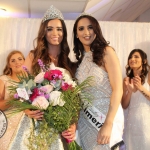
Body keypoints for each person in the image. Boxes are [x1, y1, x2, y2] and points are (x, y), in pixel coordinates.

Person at [9, 5, 76, 150]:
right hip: (37, 124)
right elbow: (21, 92)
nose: (55, 33)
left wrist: (73, 123)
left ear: (63, 32)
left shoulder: (68, 63)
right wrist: (27, 110)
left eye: (59, 29)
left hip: (60, 127)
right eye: (50, 29)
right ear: (43, 32)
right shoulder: (33, 57)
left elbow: (74, 100)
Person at [73, 13, 124, 150]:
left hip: (103, 121)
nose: (86, 32)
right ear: (76, 34)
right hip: (85, 123)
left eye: (90, 27)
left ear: (96, 30)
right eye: (81, 29)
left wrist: (108, 123)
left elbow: (118, 89)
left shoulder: (107, 52)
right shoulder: (80, 61)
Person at [122, 49, 150, 150]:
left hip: (146, 120)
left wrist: (140, 88)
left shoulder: (148, 76)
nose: (132, 59)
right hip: (131, 122)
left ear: (144, 61)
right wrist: (129, 91)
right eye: (130, 57)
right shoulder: (126, 80)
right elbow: (124, 105)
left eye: (136, 57)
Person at [0, 50, 25, 150]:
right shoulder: (4, 79)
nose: (17, 62)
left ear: (24, 61)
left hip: (28, 122)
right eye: (13, 61)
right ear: (9, 65)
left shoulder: (33, 81)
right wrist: (13, 98)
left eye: (20, 59)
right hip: (9, 124)